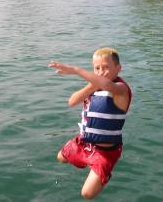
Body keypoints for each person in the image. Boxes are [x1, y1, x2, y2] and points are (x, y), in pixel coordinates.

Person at [48, 48, 132, 199]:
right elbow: (72, 102)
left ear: (118, 69)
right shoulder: (93, 88)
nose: (101, 72)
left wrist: (76, 70)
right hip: (85, 143)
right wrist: (92, 85)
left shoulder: (121, 89)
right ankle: (87, 161)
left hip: (106, 152)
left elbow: (108, 86)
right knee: (60, 158)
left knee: (87, 194)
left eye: (106, 67)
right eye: (97, 68)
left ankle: (104, 171)